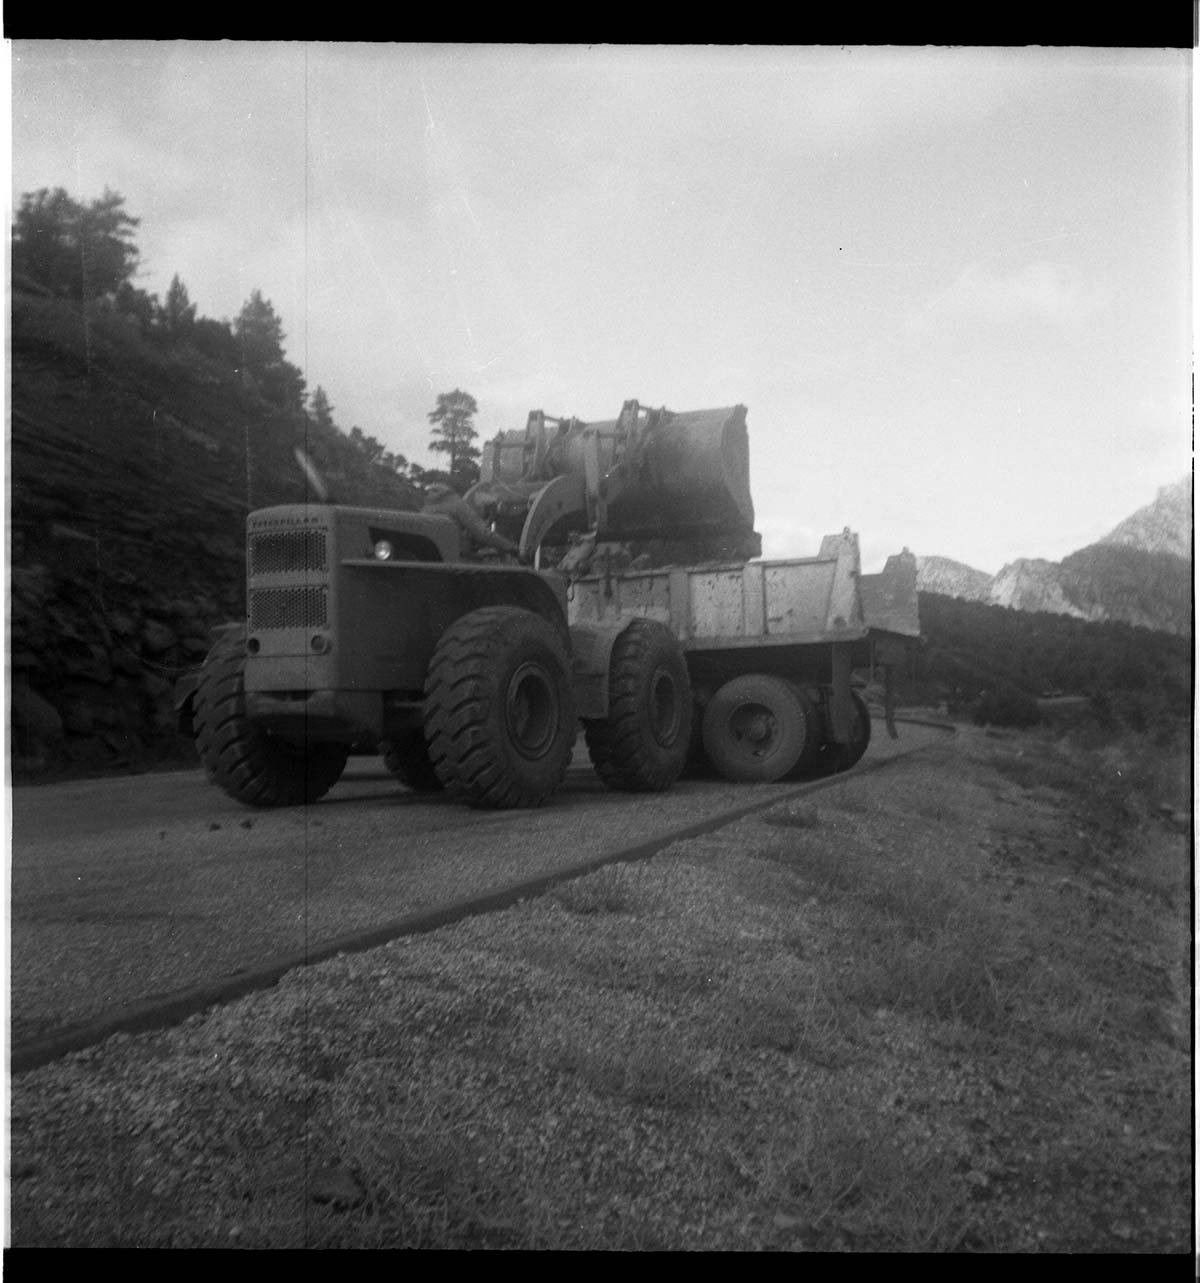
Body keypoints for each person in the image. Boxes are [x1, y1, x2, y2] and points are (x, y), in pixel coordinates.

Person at [422, 482, 524, 560]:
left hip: (430, 556)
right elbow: (482, 533)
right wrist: (512, 548)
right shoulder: (458, 505)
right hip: (454, 557)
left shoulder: (426, 509)